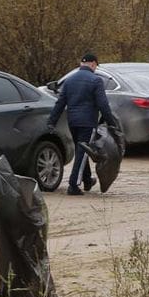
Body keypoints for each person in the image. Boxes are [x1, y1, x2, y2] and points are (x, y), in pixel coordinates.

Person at [47, 51, 118, 195]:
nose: (95, 69)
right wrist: (111, 123)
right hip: (88, 122)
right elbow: (103, 104)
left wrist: (51, 122)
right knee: (82, 153)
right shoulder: (96, 80)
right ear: (93, 64)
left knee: (82, 151)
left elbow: (60, 103)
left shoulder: (70, 80)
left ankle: (87, 180)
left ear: (81, 63)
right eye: (95, 66)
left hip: (72, 122)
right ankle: (73, 184)